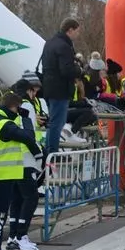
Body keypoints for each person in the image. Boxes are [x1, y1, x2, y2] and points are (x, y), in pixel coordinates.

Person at [0, 93, 44, 250]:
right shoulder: (3, 124)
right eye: (18, 109)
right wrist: (26, 119)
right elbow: (26, 136)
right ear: (14, 107)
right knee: (0, 215)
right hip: (0, 175)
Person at [6, 79, 44, 250]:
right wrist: (38, 153)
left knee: (16, 198)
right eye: (33, 91)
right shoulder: (26, 106)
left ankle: (13, 236)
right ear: (29, 91)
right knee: (31, 197)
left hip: (11, 159)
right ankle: (22, 236)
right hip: (26, 158)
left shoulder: (8, 107)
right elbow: (28, 133)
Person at [38, 17, 82, 155]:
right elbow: (66, 70)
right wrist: (79, 69)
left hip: (48, 88)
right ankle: (52, 154)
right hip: (60, 90)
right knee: (57, 124)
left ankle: (48, 153)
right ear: (70, 30)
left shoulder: (49, 43)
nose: (78, 34)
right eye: (77, 31)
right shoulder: (64, 46)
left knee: (53, 123)